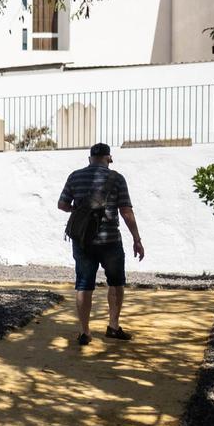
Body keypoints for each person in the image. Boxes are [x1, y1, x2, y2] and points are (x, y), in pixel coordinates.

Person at [57, 143, 144, 346]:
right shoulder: (117, 178)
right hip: (110, 240)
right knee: (116, 283)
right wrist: (137, 239)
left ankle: (84, 332)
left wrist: (79, 212)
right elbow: (126, 211)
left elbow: (61, 205)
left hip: (83, 241)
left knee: (83, 284)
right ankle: (113, 327)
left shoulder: (75, 176)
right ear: (109, 158)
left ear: (89, 159)